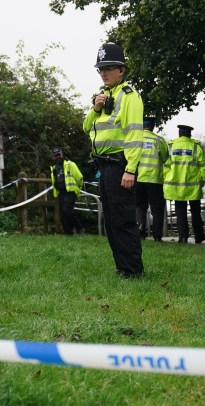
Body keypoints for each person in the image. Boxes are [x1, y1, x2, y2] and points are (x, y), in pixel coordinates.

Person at [83, 42, 145, 278]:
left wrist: (130, 170)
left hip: (120, 166)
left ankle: (133, 270)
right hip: (104, 165)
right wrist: (95, 109)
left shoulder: (129, 96)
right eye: (101, 68)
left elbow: (134, 135)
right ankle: (122, 269)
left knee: (123, 221)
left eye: (109, 68)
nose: (104, 73)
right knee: (111, 221)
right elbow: (86, 127)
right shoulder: (103, 97)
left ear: (122, 70)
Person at [163, 124, 205, 244]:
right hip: (193, 187)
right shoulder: (196, 147)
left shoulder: (171, 147)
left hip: (176, 187)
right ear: (189, 134)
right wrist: (200, 181)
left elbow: (165, 167)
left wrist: (168, 178)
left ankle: (183, 237)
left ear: (179, 134)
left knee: (180, 212)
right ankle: (199, 236)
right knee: (195, 212)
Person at [135, 117, 170, 241]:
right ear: (152, 127)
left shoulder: (134, 139)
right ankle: (157, 235)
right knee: (157, 209)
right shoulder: (158, 140)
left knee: (139, 205)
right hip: (154, 179)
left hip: (137, 178)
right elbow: (165, 157)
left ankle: (140, 230)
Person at [49, 148, 85, 235]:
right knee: (62, 214)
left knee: (67, 210)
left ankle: (79, 228)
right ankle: (68, 233)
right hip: (61, 192)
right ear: (53, 157)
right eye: (55, 156)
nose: (58, 157)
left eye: (59, 155)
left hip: (71, 191)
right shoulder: (53, 168)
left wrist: (78, 188)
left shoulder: (70, 164)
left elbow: (79, 177)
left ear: (62, 155)